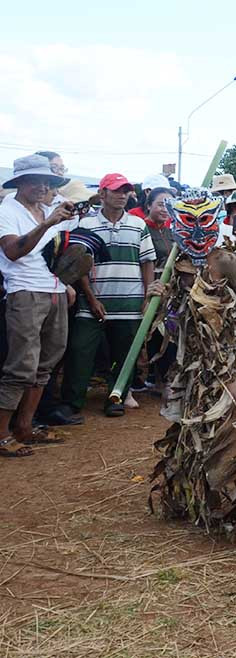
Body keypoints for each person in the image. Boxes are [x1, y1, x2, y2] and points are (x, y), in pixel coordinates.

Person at [57, 173, 155, 418]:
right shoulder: (86, 224)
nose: (123, 195)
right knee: (80, 351)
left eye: (126, 191)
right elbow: (79, 265)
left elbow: (147, 262)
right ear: (102, 194)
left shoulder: (138, 224)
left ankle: (116, 396)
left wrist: (146, 296)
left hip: (129, 301)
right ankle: (72, 401)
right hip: (92, 302)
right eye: (116, 191)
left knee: (125, 353)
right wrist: (91, 298)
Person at [0, 155, 77, 457]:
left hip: (54, 290)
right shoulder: (7, 210)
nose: (43, 185)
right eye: (36, 180)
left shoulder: (46, 208)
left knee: (46, 364)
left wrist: (57, 209)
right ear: (19, 182)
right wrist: (47, 223)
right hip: (25, 292)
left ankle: (24, 426)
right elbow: (13, 252)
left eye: (48, 180)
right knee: (21, 366)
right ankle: (3, 434)